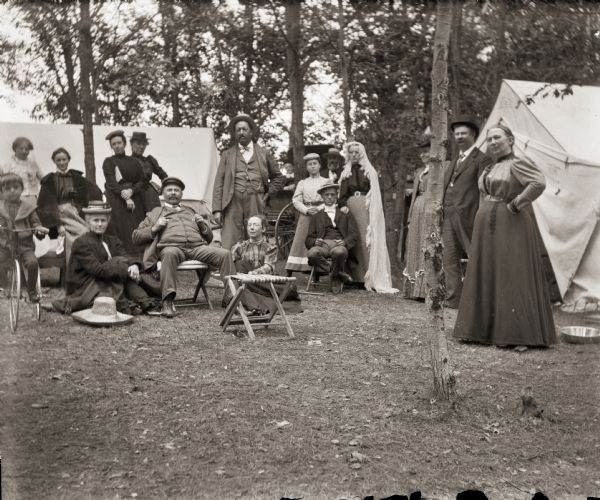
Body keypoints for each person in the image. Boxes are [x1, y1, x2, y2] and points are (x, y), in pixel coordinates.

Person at [453, 123, 557, 348]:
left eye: (497, 138)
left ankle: (518, 334)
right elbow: (483, 194)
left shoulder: (518, 163)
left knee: (511, 271)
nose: (492, 142)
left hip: (510, 221)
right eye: (489, 139)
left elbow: (538, 182)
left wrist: (518, 203)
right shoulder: (490, 167)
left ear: (510, 140)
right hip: (487, 223)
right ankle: (482, 331)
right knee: (486, 270)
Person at [132, 177, 236, 318]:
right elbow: (136, 237)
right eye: (169, 190)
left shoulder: (190, 211)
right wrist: (155, 227)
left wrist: (203, 226)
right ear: (163, 193)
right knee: (168, 253)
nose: (173, 193)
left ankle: (230, 298)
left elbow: (209, 237)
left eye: (177, 190)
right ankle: (167, 301)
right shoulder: (155, 213)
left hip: (197, 247)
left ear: (181, 194)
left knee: (225, 254)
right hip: (172, 247)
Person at [51, 201, 159, 316]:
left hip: (109, 278)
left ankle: (144, 302)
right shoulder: (81, 243)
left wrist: (134, 265)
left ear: (108, 222)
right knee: (119, 263)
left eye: (103, 220)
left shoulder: (111, 240)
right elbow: (98, 270)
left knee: (122, 264)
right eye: (95, 220)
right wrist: (125, 268)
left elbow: (126, 255)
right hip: (87, 285)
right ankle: (142, 302)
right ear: (88, 222)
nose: (99, 224)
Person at [211, 114, 284, 249]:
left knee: (255, 233)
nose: (241, 132)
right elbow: (219, 182)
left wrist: (268, 195)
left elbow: (278, 177)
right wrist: (217, 209)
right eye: (238, 130)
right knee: (231, 237)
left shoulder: (264, 153)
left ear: (251, 132)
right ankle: (231, 268)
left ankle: (256, 269)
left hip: (256, 200)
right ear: (234, 134)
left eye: (244, 129)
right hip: (232, 201)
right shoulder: (227, 154)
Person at [442, 117, 493, 308]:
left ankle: (479, 300)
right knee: (449, 258)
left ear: (473, 136)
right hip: (448, 216)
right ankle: (453, 298)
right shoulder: (455, 160)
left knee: (475, 257)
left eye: (464, 133)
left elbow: (485, 189)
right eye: (457, 134)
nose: (460, 137)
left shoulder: (482, 159)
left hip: (470, 216)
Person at [338, 141, 398, 293]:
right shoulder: (345, 172)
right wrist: (342, 204)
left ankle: (368, 275)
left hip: (366, 206)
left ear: (362, 153)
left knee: (366, 240)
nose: (354, 155)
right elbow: (342, 194)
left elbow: (375, 192)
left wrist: (372, 205)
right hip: (350, 207)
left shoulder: (369, 171)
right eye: (351, 152)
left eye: (356, 153)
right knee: (353, 239)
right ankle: (353, 277)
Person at [37, 147, 103, 262]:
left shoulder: (76, 177)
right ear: (54, 161)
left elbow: (95, 190)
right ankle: (74, 271)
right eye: (58, 160)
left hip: (75, 211)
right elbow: (47, 205)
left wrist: (87, 204)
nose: (62, 163)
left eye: (64, 159)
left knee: (89, 233)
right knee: (82, 233)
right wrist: (58, 225)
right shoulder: (49, 180)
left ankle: (87, 268)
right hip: (59, 214)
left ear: (68, 160)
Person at [231, 215, 302, 314]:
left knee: (289, 288)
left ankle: (250, 305)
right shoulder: (239, 247)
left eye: (255, 225)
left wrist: (254, 273)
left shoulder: (270, 247)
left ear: (263, 229)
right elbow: (229, 264)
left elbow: (268, 267)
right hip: (245, 282)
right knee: (239, 265)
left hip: (262, 281)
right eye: (249, 225)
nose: (251, 228)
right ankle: (252, 306)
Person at [0, 173, 48, 302]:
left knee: (33, 263)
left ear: (22, 189)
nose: (12, 191)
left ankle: (31, 289)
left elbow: (36, 224)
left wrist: (39, 230)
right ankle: (4, 286)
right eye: (7, 189)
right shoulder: (0, 208)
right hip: (5, 245)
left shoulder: (29, 208)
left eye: (16, 187)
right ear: (2, 192)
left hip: (24, 245)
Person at [305, 181, 359, 294]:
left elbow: (354, 234)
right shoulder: (316, 216)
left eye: (332, 195)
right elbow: (308, 238)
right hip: (323, 244)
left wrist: (344, 242)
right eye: (326, 195)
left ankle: (335, 277)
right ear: (322, 197)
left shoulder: (345, 213)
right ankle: (337, 274)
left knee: (340, 252)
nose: (329, 197)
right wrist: (315, 241)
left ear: (336, 196)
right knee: (312, 254)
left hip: (338, 244)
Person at [102, 130, 146, 258]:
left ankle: (139, 260)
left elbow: (141, 181)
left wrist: (132, 191)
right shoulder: (108, 162)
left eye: (119, 142)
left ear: (125, 143)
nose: (117, 146)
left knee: (136, 228)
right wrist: (125, 196)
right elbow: (111, 183)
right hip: (116, 200)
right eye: (114, 144)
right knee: (120, 230)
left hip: (135, 198)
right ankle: (122, 260)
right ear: (111, 146)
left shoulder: (134, 162)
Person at [285, 153, 327, 274]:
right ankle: (292, 268)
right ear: (306, 167)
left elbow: (331, 198)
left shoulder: (326, 181)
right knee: (301, 240)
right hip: (306, 215)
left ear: (319, 165)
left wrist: (319, 209)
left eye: (315, 164)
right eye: (310, 164)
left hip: (321, 215)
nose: (312, 166)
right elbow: (296, 200)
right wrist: (306, 210)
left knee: (318, 240)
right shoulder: (302, 183)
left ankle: (318, 267)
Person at [403, 138, 431, 300]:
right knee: (414, 243)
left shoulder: (440, 169)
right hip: (417, 208)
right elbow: (414, 195)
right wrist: (410, 215)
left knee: (425, 244)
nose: (423, 155)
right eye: (421, 152)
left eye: (426, 151)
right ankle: (413, 290)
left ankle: (425, 290)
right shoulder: (419, 171)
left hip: (429, 208)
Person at [130, 131, 169, 213]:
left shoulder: (149, 160)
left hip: (150, 195)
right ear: (132, 144)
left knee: (154, 218)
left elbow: (163, 175)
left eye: (143, 144)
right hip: (134, 195)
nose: (141, 147)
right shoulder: (126, 161)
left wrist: (163, 187)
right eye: (138, 143)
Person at [0, 137, 42, 204]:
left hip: (32, 197)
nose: (24, 151)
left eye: (27, 149)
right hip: (13, 198)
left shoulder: (33, 164)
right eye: (21, 148)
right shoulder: (6, 164)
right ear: (15, 149)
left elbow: (43, 179)